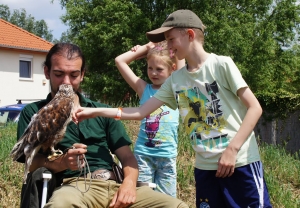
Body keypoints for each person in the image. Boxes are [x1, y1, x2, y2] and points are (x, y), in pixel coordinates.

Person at [73, 10, 272, 208]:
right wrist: (94, 111)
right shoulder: (176, 80)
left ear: (190, 35)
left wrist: (232, 149)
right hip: (205, 168)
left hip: (239, 162)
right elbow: (141, 112)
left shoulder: (221, 65)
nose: (167, 46)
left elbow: (254, 108)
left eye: (170, 39)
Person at [16, 42, 188, 208]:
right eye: (59, 74)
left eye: (74, 75)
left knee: (177, 205)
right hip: (74, 187)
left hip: (115, 185)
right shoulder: (35, 112)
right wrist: (61, 162)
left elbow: (127, 157)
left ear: (82, 74)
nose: (66, 82)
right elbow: (30, 162)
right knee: (61, 205)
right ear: (47, 72)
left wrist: (128, 184)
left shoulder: (101, 111)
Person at [115, 41, 184, 197]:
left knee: (167, 202)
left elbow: (181, 59)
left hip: (167, 157)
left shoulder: (176, 88)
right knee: (143, 199)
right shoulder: (143, 88)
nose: (153, 73)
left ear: (172, 69)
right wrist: (145, 48)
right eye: (150, 68)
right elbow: (120, 61)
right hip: (143, 156)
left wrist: (173, 43)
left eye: (159, 69)